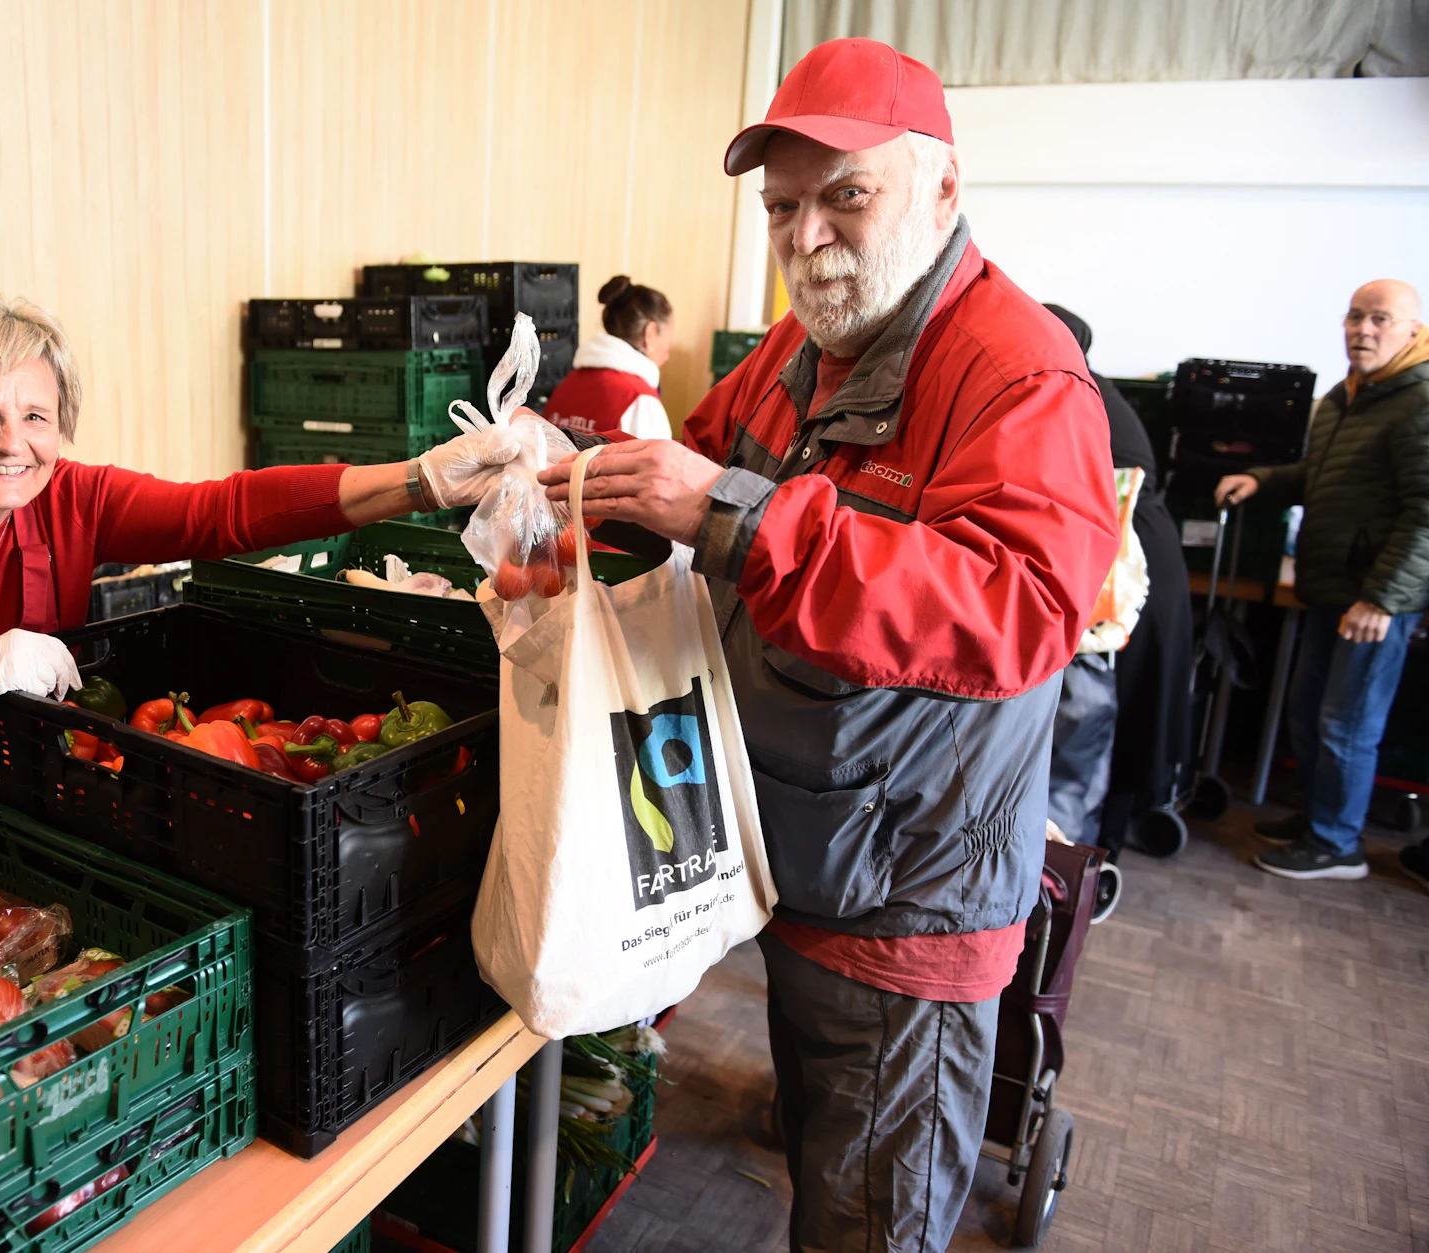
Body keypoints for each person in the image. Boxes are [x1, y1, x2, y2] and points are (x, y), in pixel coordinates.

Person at [535, 38, 1117, 1253]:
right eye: (783, 206)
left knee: (867, 1220)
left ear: (942, 190)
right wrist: (564, 479)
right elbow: (691, 453)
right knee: (822, 1164)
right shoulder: (801, 352)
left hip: (911, 901)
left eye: (844, 195)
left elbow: (1021, 610)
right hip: (799, 858)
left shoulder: (1015, 373)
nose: (806, 236)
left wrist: (731, 513)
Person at [0, 289, 516, 835]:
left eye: (35, 415)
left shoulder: (72, 501)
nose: (11, 442)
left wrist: (420, 479)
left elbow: (225, 510)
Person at [1216, 279, 1429, 881]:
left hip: (1373, 601)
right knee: (1309, 714)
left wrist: (1381, 598)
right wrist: (1263, 480)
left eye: (1379, 319)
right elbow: (1323, 477)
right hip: (1331, 588)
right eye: (1355, 317)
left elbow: (1426, 512)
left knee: (1347, 723)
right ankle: (1318, 820)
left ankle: (1337, 844)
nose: (1362, 329)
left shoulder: (1418, 402)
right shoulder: (1349, 395)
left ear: (1412, 333)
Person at [1043, 304, 1194, 859]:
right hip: (1133, 555)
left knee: (1105, 714)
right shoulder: (1091, 384)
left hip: (1125, 567)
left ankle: (1090, 861)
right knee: (1114, 714)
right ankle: (1096, 853)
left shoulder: (1070, 389)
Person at [541, 276, 674, 440]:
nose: (668, 354)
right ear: (651, 333)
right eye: (669, 340)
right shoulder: (640, 400)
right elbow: (658, 463)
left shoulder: (567, 384)